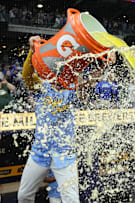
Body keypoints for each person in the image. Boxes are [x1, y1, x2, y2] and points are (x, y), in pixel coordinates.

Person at [17, 36, 100, 203]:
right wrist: (32, 51)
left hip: (64, 154)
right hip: (40, 152)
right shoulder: (41, 87)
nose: (57, 72)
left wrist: (103, 65)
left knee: (71, 200)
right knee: (23, 196)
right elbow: (26, 75)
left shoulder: (72, 90)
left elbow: (86, 89)